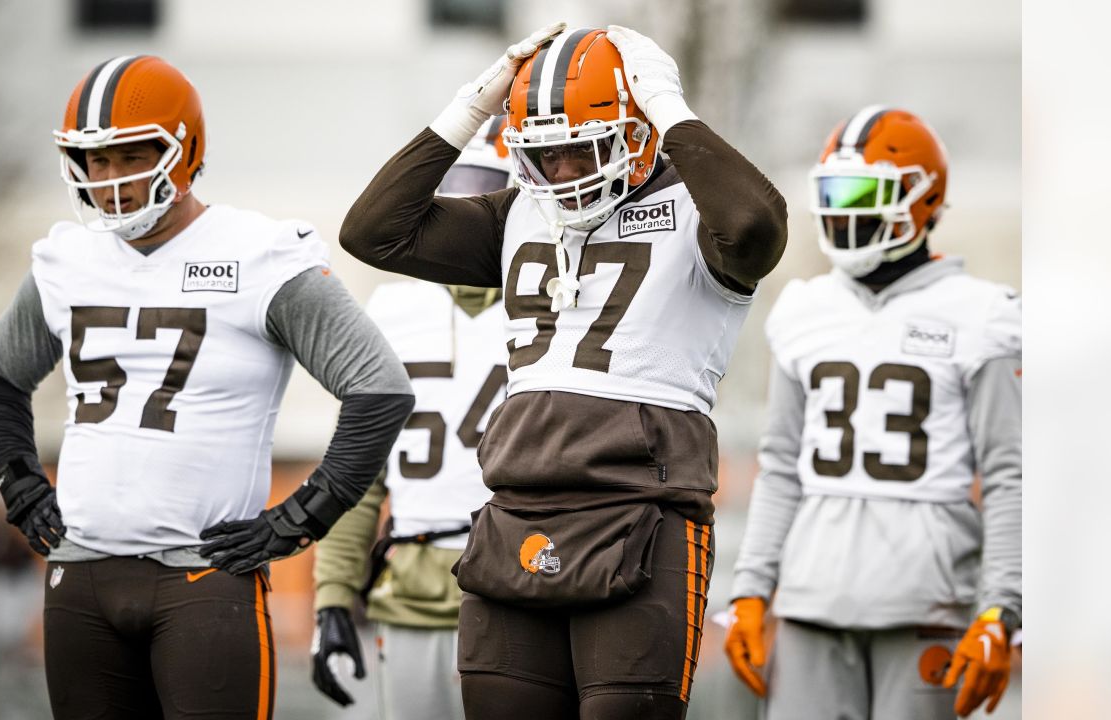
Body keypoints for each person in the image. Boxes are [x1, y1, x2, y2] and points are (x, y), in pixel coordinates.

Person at [340, 23, 787, 720]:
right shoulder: (517, 214)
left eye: (581, 150)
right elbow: (374, 231)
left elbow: (756, 226)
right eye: (544, 157)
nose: (564, 175)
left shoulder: (701, 215)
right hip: (516, 510)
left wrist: (669, 106)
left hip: (642, 511)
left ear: (638, 131)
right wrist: (473, 106)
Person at [0, 54, 414, 720]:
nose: (110, 180)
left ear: (184, 151)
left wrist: (304, 516)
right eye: (95, 160)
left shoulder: (259, 254)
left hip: (203, 580)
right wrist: (19, 486)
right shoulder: (68, 259)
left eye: (129, 156)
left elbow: (379, 390)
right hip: (80, 581)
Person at [723, 106, 1021, 720]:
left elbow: (1010, 474)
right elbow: (781, 466)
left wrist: (1003, 609)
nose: (843, 210)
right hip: (810, 603)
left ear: (920, 197)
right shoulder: (805, 309)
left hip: (924, 606)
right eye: (832, 193)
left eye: (862, 192)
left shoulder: (981, 314)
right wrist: (751, 590)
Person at [310, 121, 513, 720]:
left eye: (481, 193)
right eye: (449, 193)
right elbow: (359, 471)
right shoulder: (393, 309)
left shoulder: (548, 300)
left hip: (520, 589)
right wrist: (332, 598)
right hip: (410, 589)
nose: (459, 213)